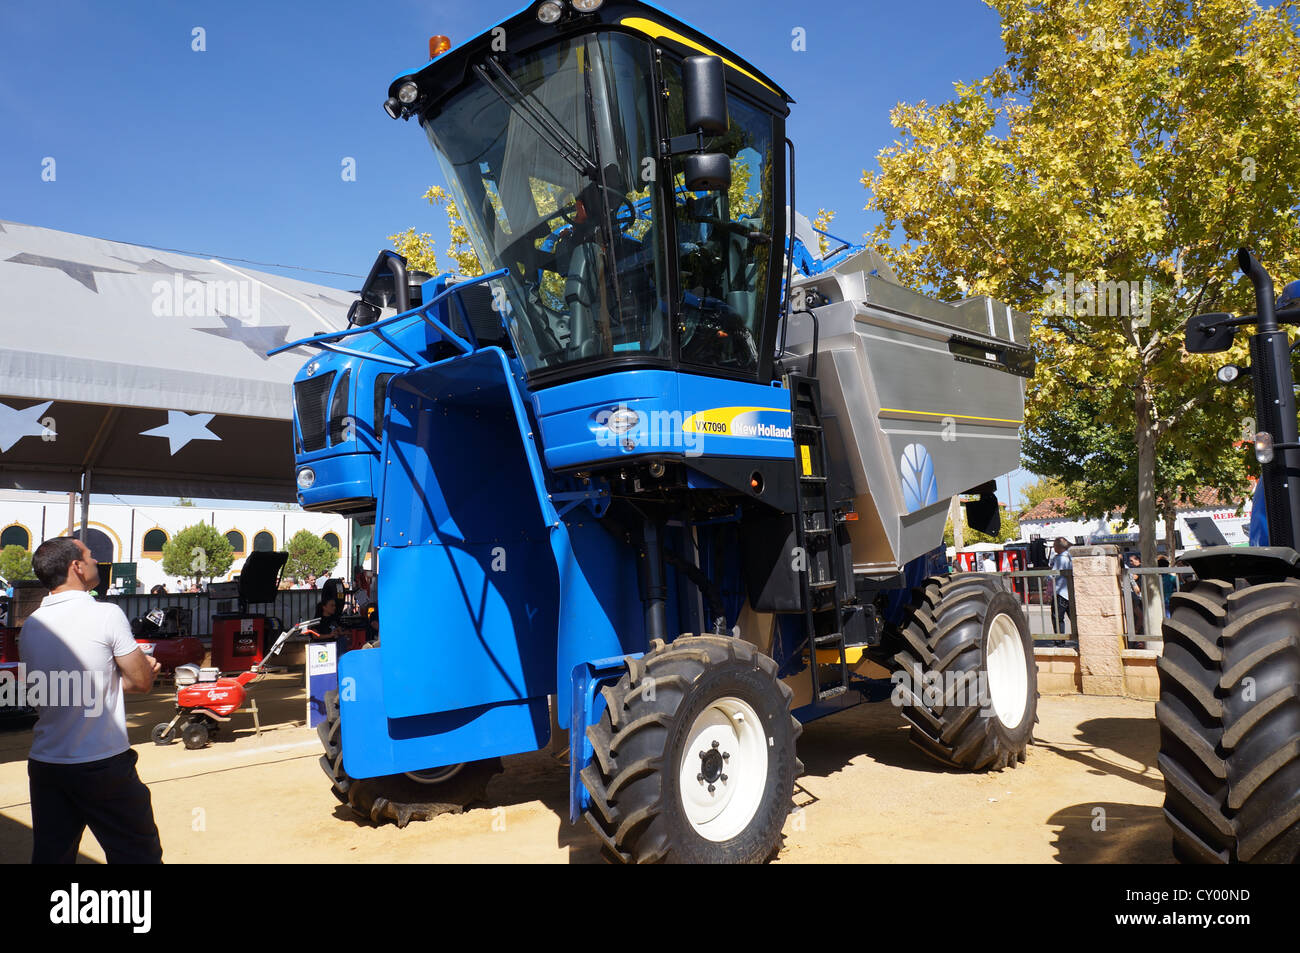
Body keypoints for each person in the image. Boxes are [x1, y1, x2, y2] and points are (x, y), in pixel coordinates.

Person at [20, 537, 163, 864]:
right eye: (90, 555)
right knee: (137, 854)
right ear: (77, 567)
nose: (96, 560)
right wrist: (142, 670)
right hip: (101, 762)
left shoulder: (31, 626)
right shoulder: (106, 614)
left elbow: (57, 692)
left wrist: (109, 682)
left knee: (52, 856)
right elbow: (141, 682)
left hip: (46, 765)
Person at [1049, 537, 1072, 636]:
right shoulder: (1069, 557)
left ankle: (1059, 640)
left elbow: (1053, 574)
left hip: (1060, 592)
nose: (1053, 548)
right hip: (1069, 592)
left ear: (1058, 546)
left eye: (1054, 545)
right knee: (1073, 617)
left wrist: (1046, 577)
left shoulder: (1060, 559)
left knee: (1057, 618)